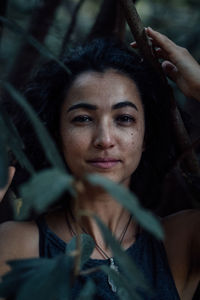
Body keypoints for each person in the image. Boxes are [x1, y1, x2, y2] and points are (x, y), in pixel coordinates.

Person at [0, 27, 200, 299]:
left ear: (146, 136)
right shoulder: (18, 243)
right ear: (57, 134)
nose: (105, 139)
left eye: (124, 118)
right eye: (82, 119)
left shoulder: (180, 241)